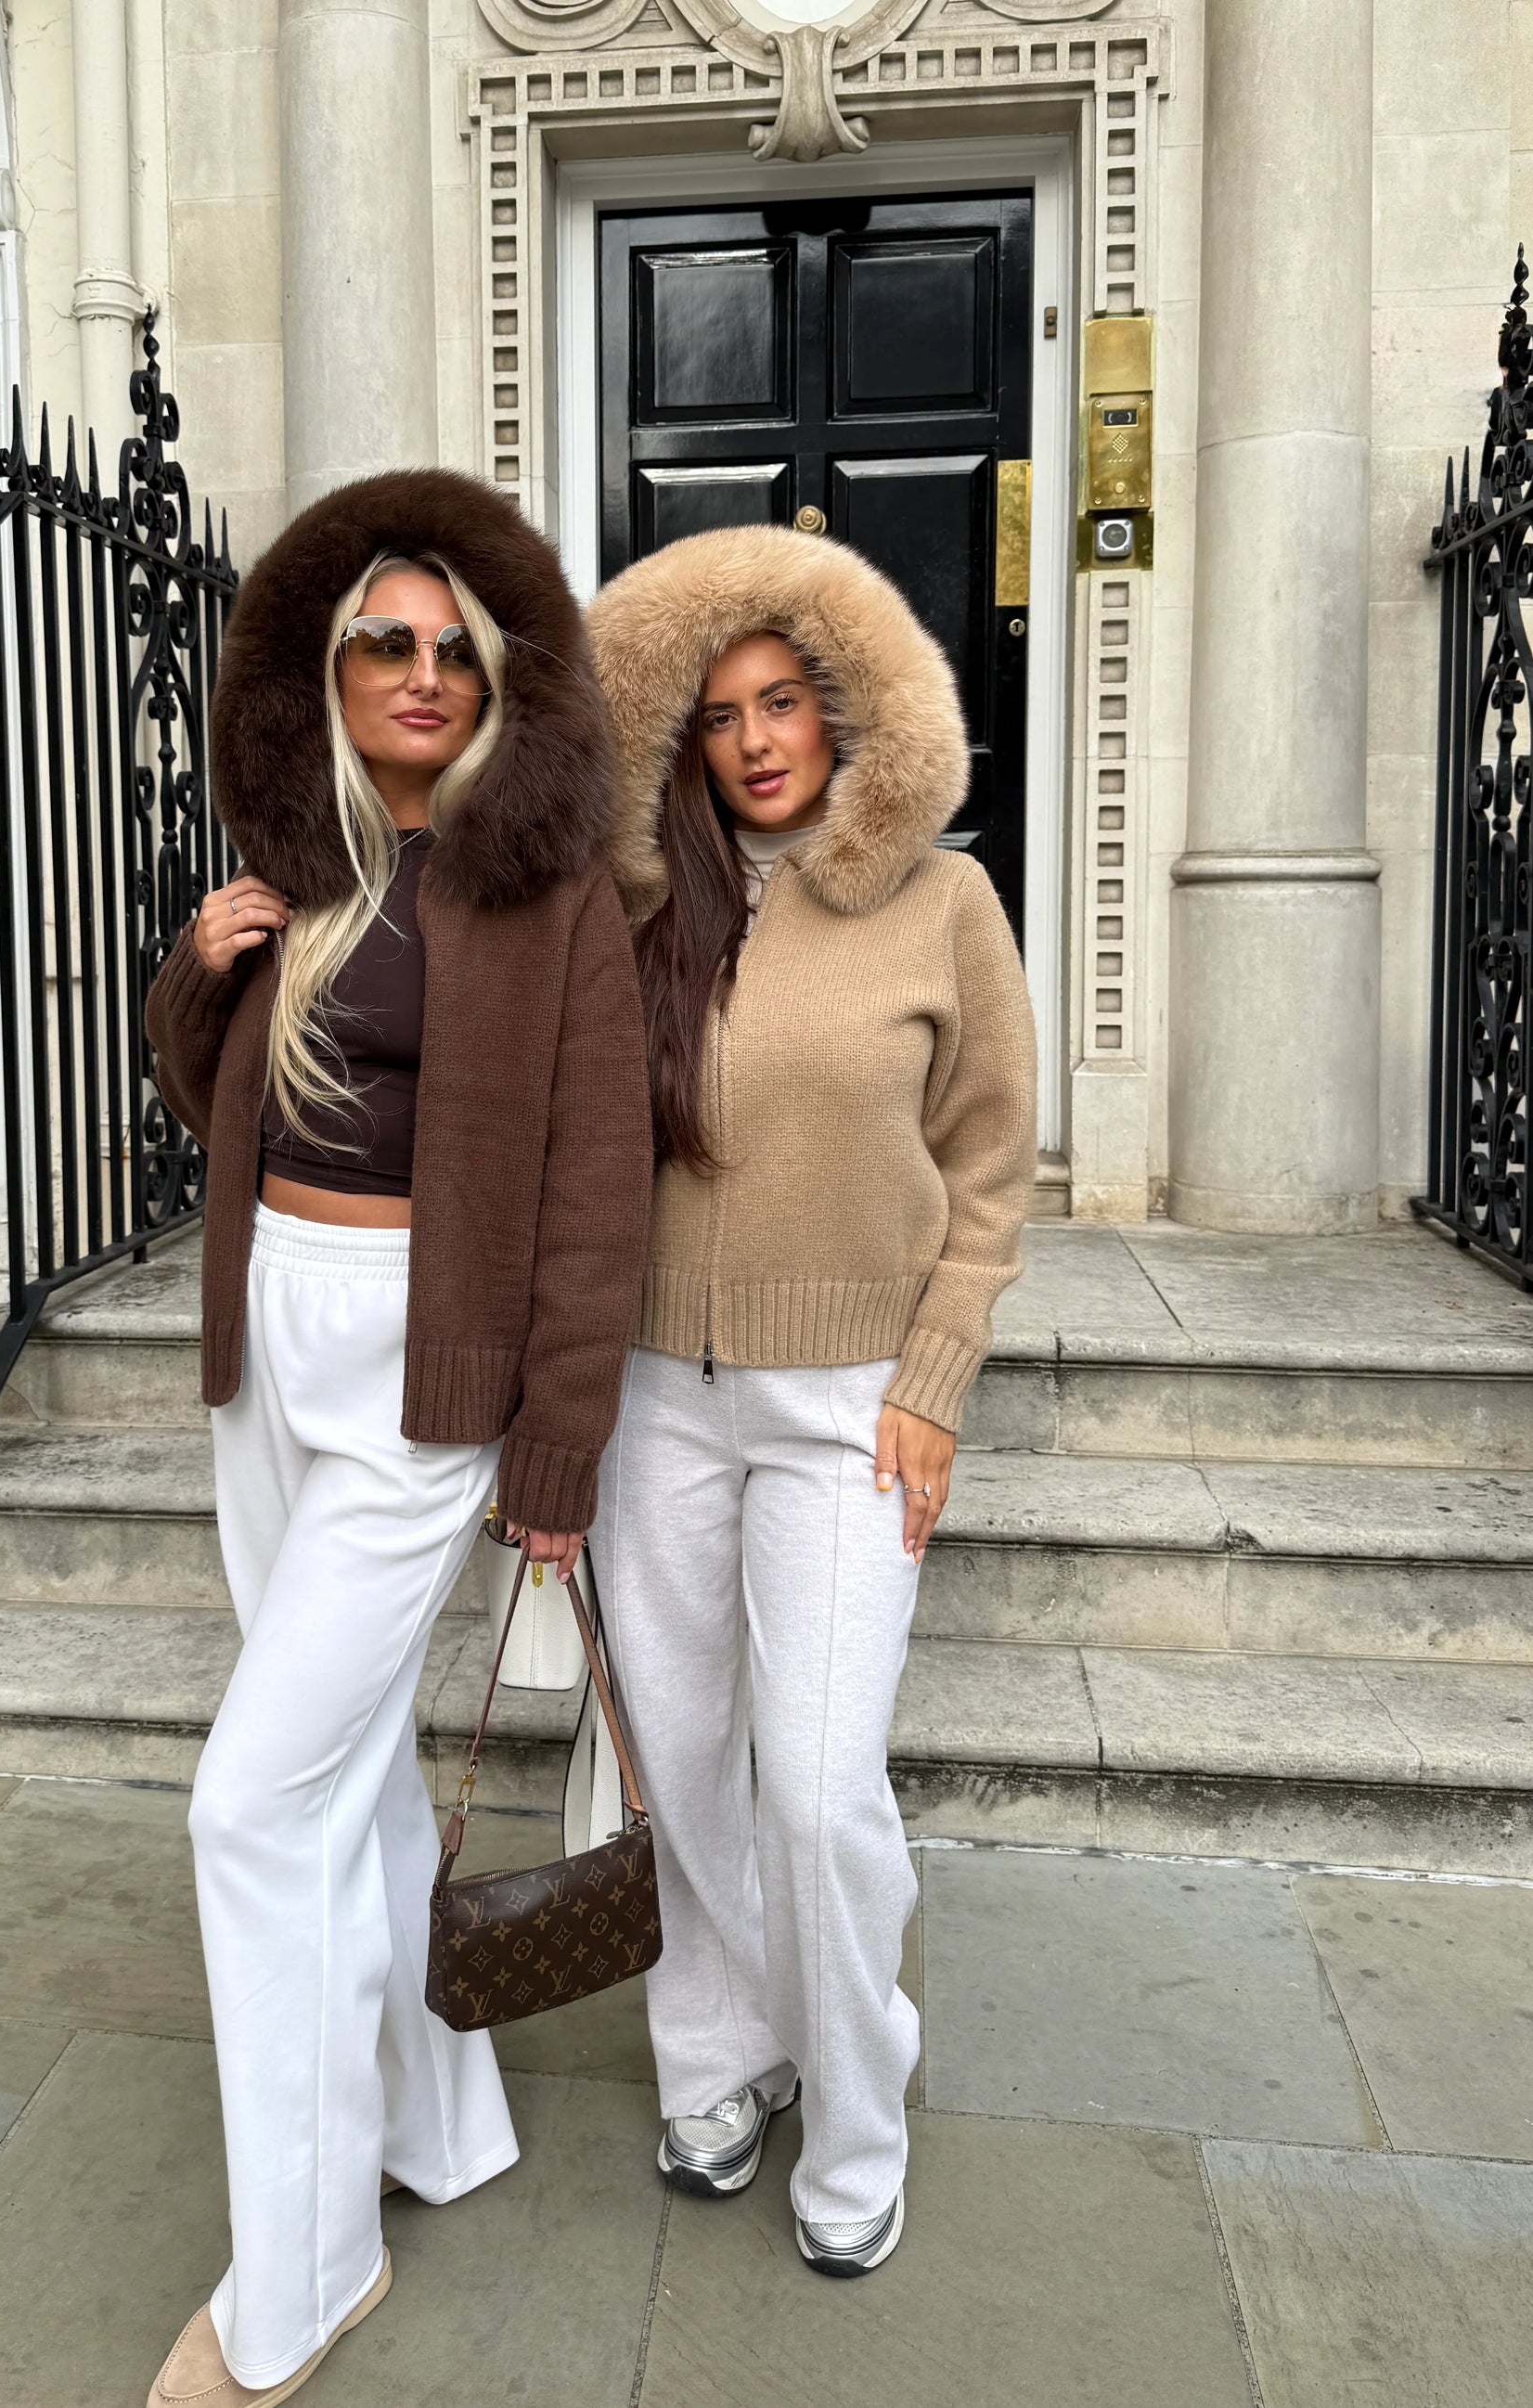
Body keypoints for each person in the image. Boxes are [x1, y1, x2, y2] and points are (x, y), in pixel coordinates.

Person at [141, 470, 650, 2407]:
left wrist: (559, 1446)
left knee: (250, 1805)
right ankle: (441, 2121)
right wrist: (201, 969)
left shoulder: (549, 889)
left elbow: (596, 1185)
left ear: (498, 679)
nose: (422, 673)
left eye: (454, 649)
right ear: (330, 671)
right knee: (341, 1777)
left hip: (426, 1374)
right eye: (385, 642)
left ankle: (303, 2272)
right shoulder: (307, 860)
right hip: (269, 1340)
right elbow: (216, 1103)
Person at [585, 524, 1037, 2279]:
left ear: (847, 711)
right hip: (652, 1400)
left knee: (823, 1785)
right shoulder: (635, 907)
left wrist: (933, 1380)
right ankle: (721, 2055)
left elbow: (987, 1169)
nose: (755, 738)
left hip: (849, 1402)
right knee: (684, 1765)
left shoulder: (943, 903)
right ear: (677, 738)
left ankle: (857, 2109)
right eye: (715, 713)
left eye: (783, 700)